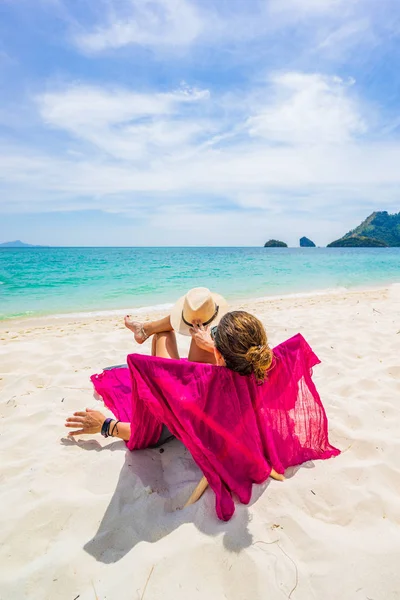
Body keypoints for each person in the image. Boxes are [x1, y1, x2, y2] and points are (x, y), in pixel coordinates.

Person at [65, 288, 273, 441]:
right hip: (206, 387)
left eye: (216, 340)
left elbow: (148, 431)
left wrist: (105, 425)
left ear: (219, 355)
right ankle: (145, 329)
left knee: (163, 335)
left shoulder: (209, 396)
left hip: (180, 406)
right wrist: (212, 346)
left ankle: (146, 330)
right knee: (200, 322)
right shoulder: (263, 366)